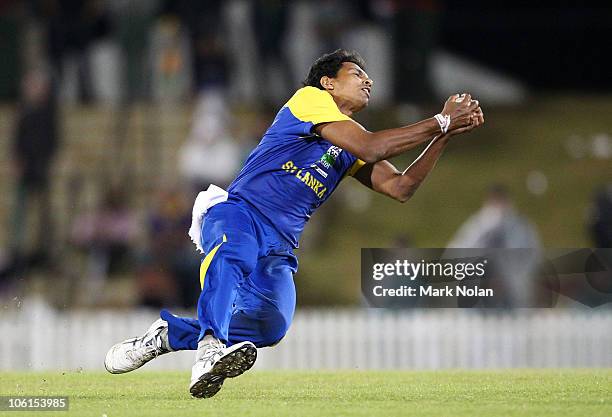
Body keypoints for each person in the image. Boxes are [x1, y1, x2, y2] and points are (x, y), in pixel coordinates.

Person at [104, 49, 484, 398]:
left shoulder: (347, 146)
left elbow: (401, 187)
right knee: (233, 255)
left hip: (279, 245)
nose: (368, 80)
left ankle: (169, 336)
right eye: (356, 73)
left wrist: (444, 136)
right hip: (240, 214)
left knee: (272, 324)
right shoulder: (309, 100)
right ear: (328, 82)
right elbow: (373, 147)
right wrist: (442, 119)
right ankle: (208, 349)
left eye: (369, 76)